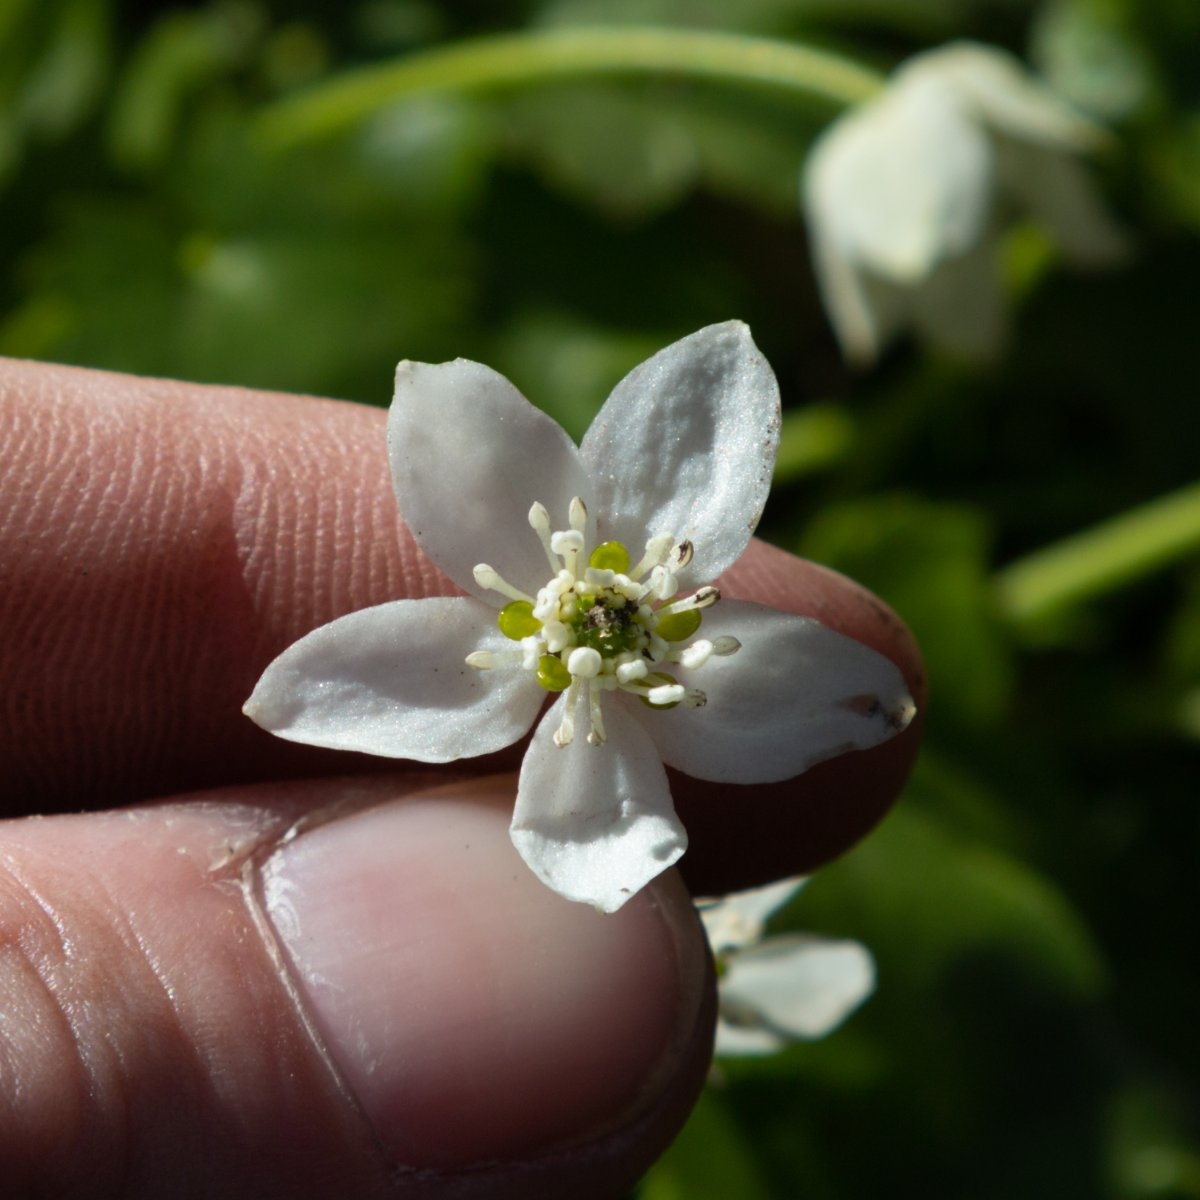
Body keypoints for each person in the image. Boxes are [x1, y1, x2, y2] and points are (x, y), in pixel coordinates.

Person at [0, 358, 923, 1198]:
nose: (603, 620)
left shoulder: (690, 655)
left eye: (609, 611)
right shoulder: (421, 659)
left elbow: (848, 701)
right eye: (591, 614)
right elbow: (325, 681)